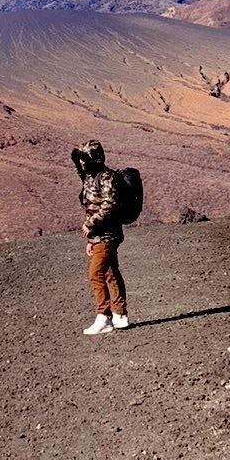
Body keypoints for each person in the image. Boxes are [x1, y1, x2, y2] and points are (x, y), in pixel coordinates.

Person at [72, 139, 130, 334]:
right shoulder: (90, 177)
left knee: (95, 273)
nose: (82, 163)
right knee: (110, 272)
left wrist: (90, 224)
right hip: (99, 235)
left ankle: (103, 317)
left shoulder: (107, 177)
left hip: (108, 234)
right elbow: (91, 206)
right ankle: (120, 314)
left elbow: (109, 204)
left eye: (84, 158)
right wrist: (90, 239)